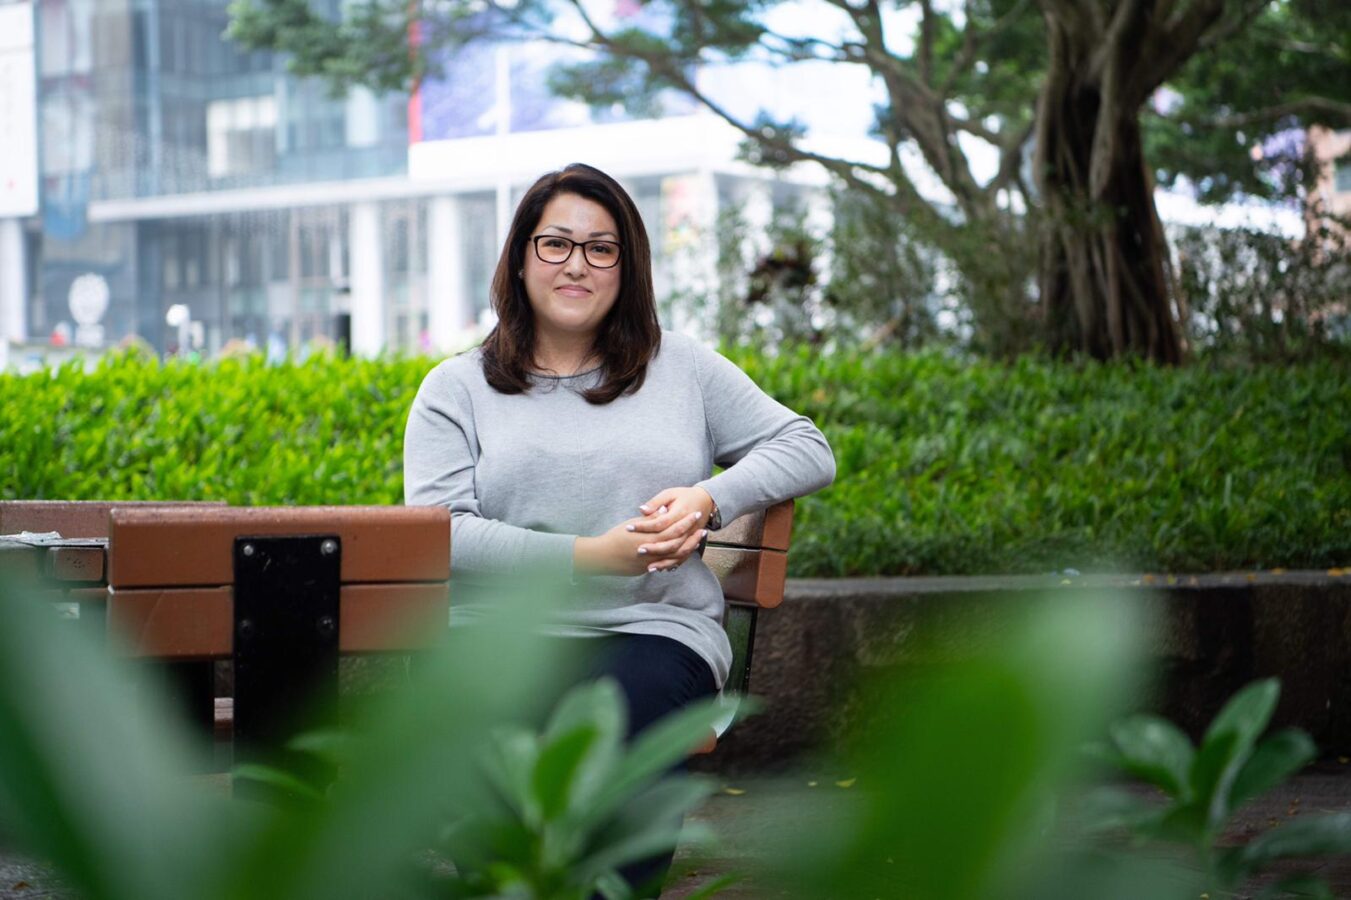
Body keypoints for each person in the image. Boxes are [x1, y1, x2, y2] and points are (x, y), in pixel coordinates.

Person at [403, 162, 835, 895]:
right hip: (496, 634)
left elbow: (806, 447)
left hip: (652, 628)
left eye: (601, 249)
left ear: (626, 268)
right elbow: (441, 531)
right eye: (555, 244)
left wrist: (708, 499)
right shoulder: (457, 387)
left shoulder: (681, 367)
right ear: (519, 259)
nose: (577, 264)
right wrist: (587, 557)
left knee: (625, 713)